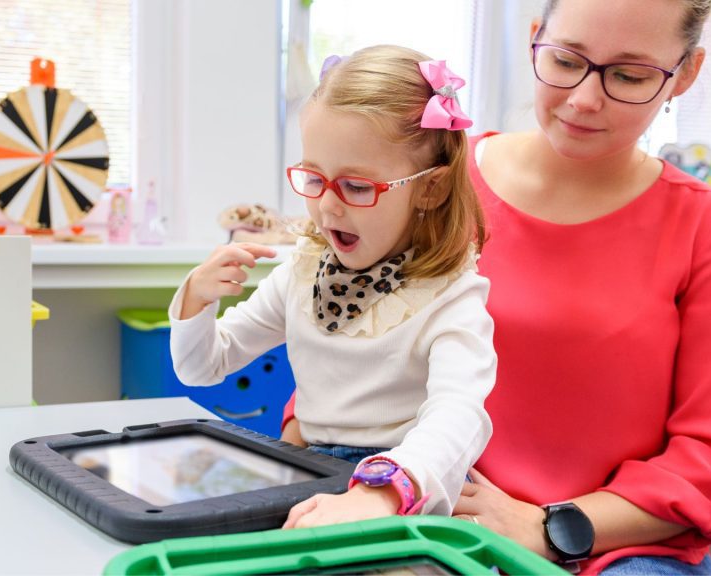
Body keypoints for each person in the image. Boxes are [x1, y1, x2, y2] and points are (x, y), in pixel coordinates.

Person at [282, 0, 711, 573]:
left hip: (609, 543)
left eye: (629, 76)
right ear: (536, 39)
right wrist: (307, 447)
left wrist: (547, 525)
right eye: (566, 61)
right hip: (416, 503)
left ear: (684, 73)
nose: (585, 99)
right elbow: (347, 332)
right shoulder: (437, 186)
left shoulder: (706, 228)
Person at [169, 45, 497, 529]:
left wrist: (385, 491)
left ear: (432, 188)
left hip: (409, 483)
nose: (327, 207)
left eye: (357, 187)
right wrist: (197, 297)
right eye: (313, 178)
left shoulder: (451, 296)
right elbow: (203, 367)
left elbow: (458, 417)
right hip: (312, 472)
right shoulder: (303, 273)